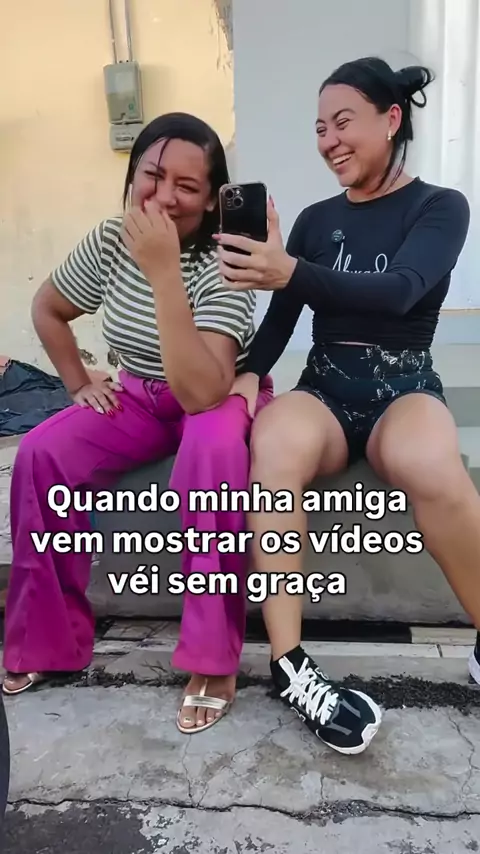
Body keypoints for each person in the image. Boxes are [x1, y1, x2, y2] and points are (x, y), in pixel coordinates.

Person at [215, 56, 479, 754]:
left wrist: (291, 270)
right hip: (327, 389)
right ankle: (290, 665)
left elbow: (402, 290)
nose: (329, 141)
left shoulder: (440, 207)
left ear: (390, 120)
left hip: (404, 389)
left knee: (432, 462)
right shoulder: (316, 220)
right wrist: (249, 372)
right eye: (319, 129)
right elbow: (282, 317)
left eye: (342, 123)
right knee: (275, 443)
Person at [2, 112, 274, 735]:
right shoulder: (109, 239)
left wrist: (164, 272)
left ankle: (212, 658)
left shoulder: (227, 258)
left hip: (215, 395)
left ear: (212, 200)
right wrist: (78, 382)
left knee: (212, 456)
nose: (165, 196)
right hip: (140, 397)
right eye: (153, 175)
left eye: (187, 186)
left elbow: (203, 390)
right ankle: (46, 639)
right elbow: (48, 308)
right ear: (132, 177)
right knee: (41, 454)